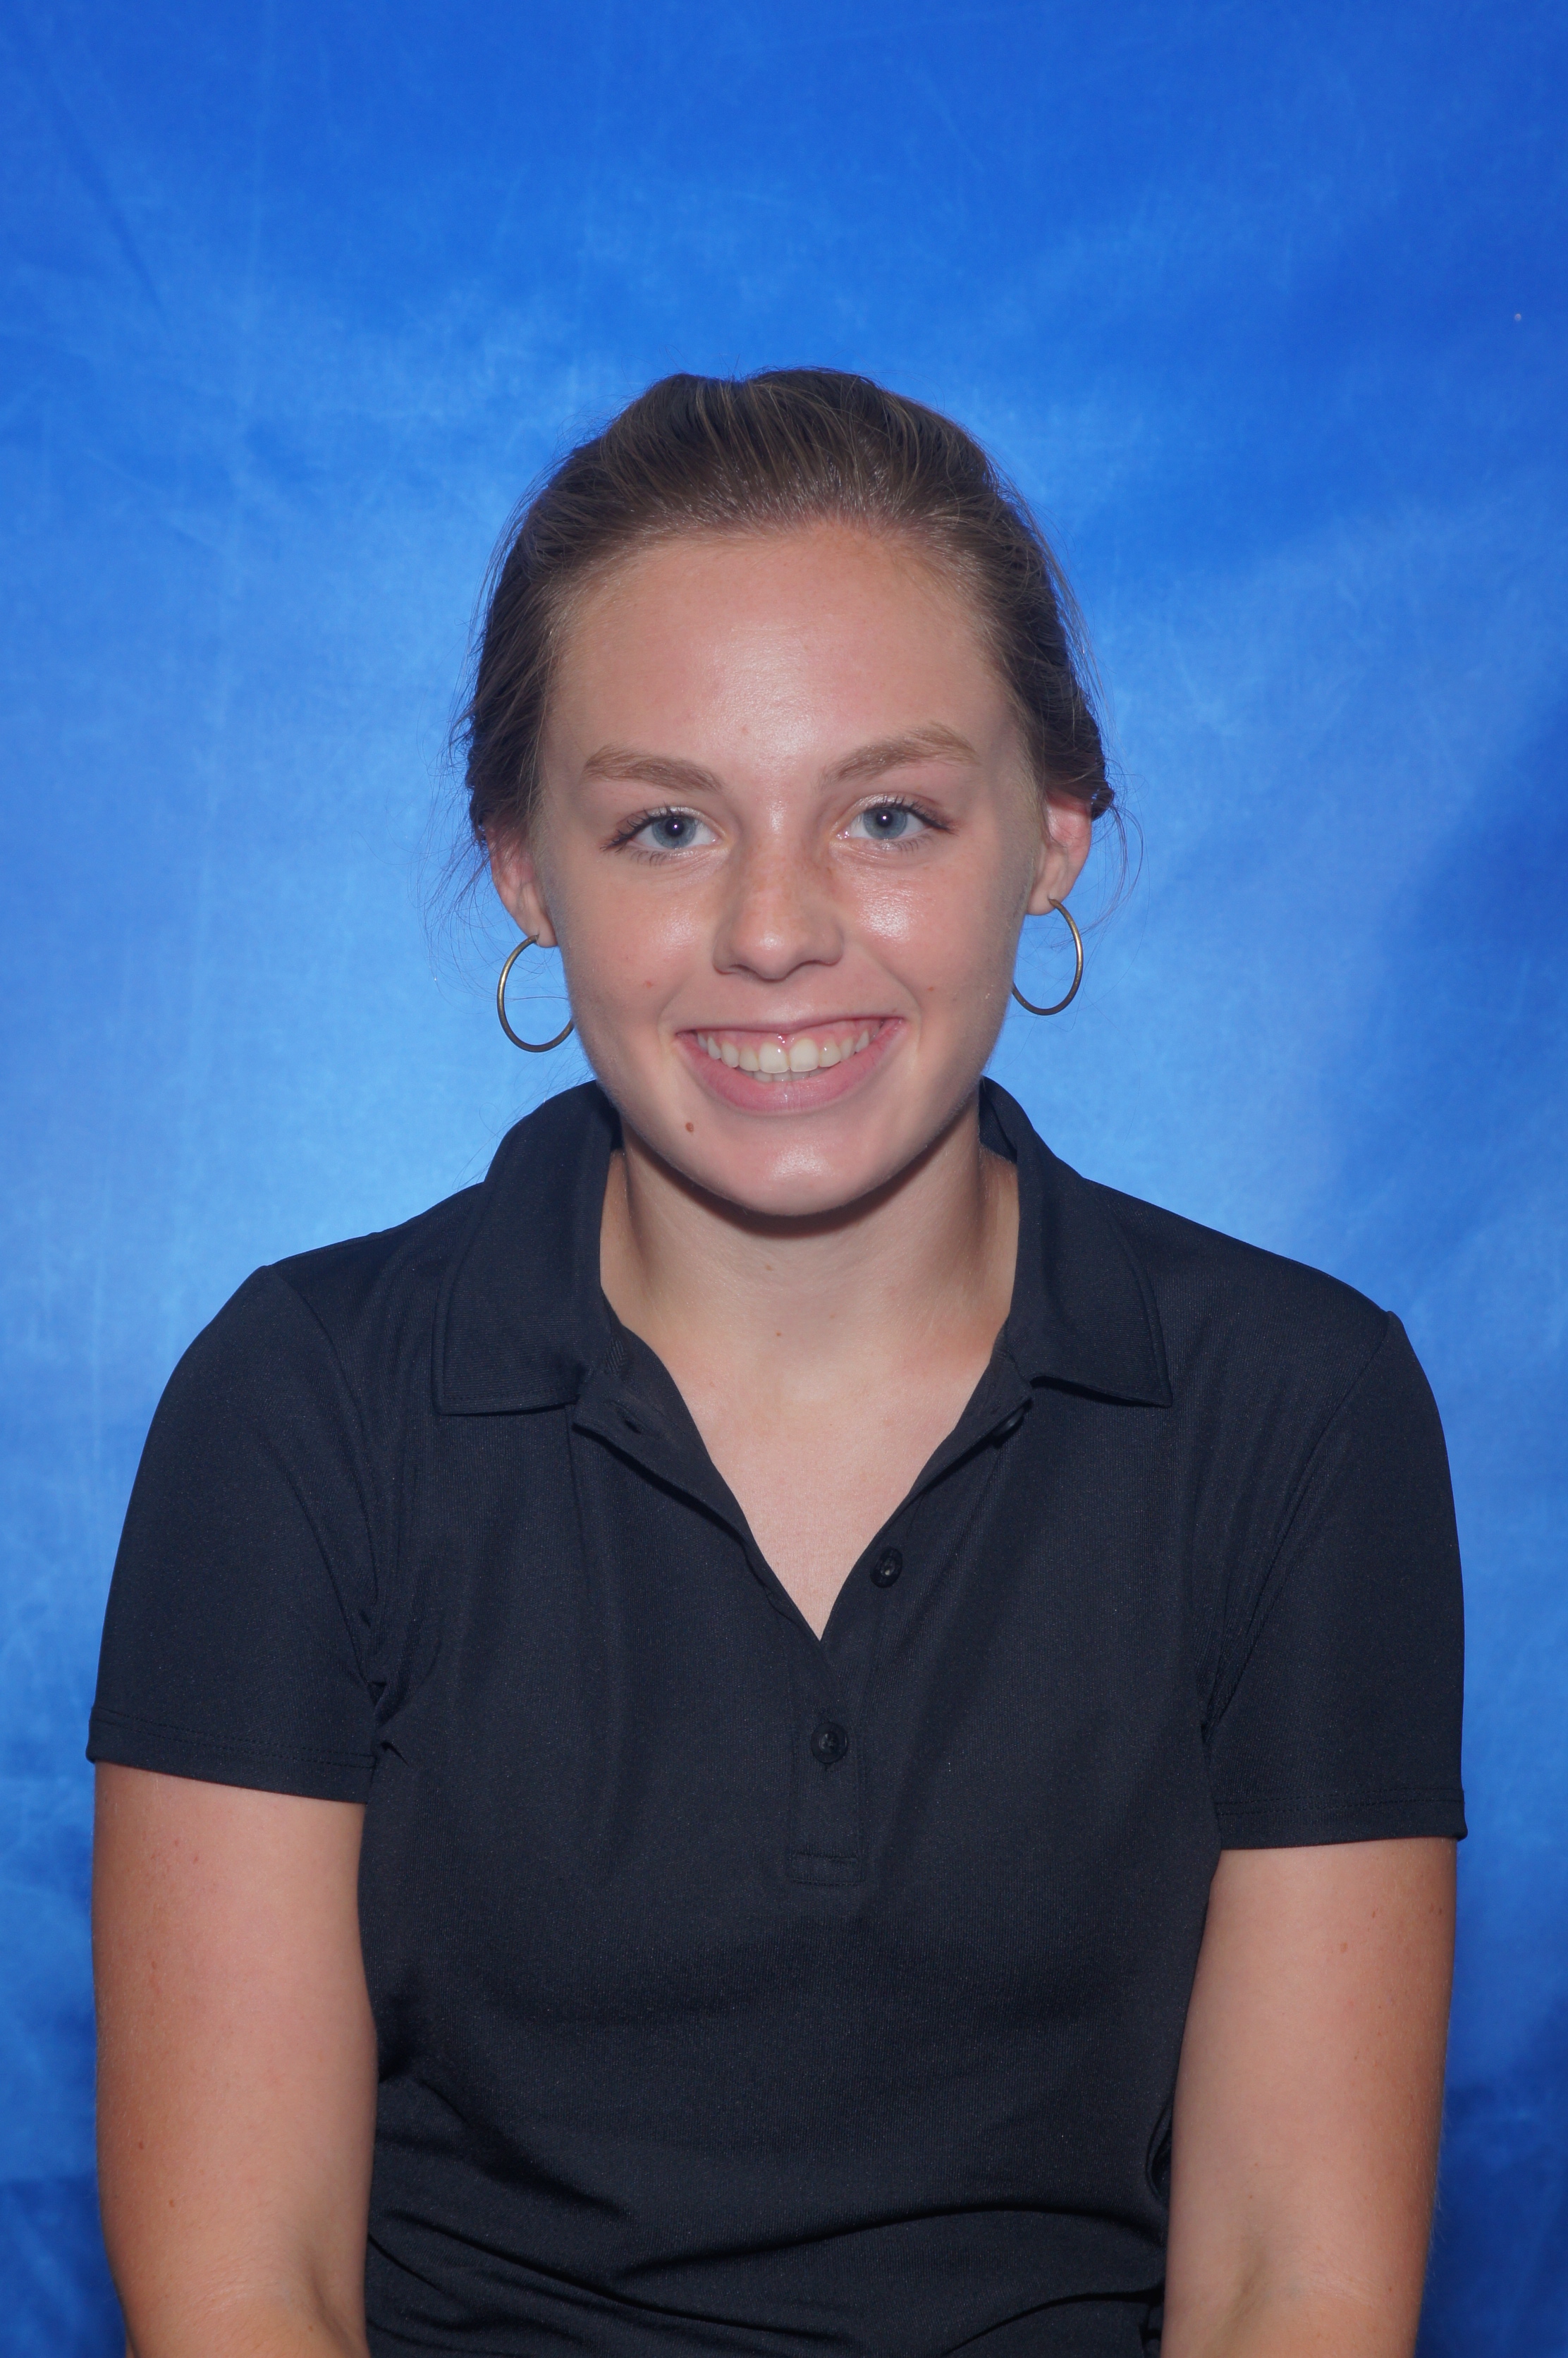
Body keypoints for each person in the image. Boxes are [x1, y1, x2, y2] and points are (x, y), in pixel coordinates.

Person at [89, 369, 1464, 2358]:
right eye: (666, 825)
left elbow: (1292, 2287)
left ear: (1055, 833)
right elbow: (245, 2293)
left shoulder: (1301, 1413)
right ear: (527, 870)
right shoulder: (301, 1406)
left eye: (888, 815)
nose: (772, 929)